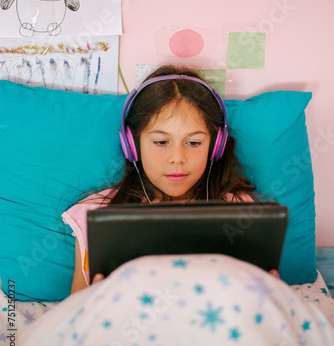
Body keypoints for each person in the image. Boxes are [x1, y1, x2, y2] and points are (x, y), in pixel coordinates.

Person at [63, 64, 275, 295]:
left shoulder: (239, 211)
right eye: (161, 142)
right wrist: (91, 305)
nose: (177, 158)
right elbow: (74, 318)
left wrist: (268, 295)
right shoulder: (94, 214)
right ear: (132, 145)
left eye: (193, 143)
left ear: (216, 147)